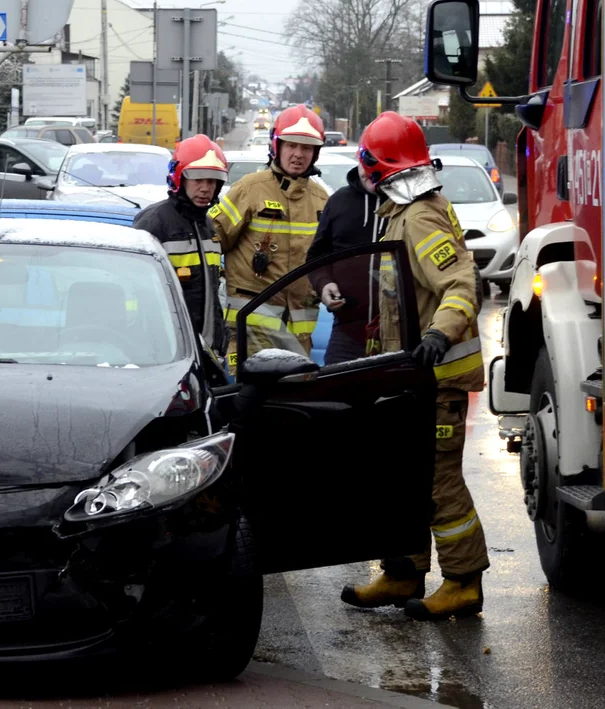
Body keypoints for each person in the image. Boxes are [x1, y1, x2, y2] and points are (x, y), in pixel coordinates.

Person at [339, 112, 489, 621]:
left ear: (379, 166)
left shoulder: (419, 215)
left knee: (438, 483)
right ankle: (403, 573)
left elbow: (460, 284)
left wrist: (436, 335)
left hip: (437, 379)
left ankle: (464, 582)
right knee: (406, 478)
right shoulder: (399, 211)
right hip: (411, 379)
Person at [209, 104, 330, 372]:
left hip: (299, 339)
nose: (298, 154)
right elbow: (212, 240)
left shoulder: (322, 201)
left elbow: (328, 261)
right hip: (251, 334)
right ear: (277, 146)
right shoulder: (249, 190)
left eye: (307, 148)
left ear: (315, 153)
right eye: (291, 146)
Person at [133, 134, 228, 355]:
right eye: (198, 179)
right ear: (179, 178)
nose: (206, 188)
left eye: (212, 180)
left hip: (205, 348)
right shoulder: (154, 222)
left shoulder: (208, 225)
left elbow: (212, 291)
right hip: (165, 348)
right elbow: (136, 292)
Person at [306, 150, 389, 363]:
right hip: (347, 333)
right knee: (333, 393)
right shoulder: (338, 202)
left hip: (400, 334)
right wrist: (324, 285)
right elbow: (317, 256)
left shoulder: (409, 205)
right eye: (365, 165)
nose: (368, 173)